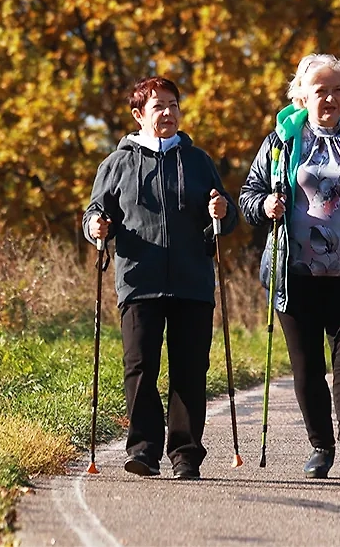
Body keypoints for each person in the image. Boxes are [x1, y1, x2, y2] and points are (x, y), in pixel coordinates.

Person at [239, 54, 340, 482]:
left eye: (336, 90)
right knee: (307, 366)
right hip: (296, 275)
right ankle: (321, 447)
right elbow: (249, 195)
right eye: (320, 91)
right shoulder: (281, 143)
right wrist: (265, 205)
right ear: (302, 96)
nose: (329, 98)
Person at [83, 76, 239, 480]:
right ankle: (143, 450)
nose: (168, 113)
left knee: (189, 370)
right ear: (139, 115)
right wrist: (96, 227)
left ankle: (186, 454)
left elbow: (226, 218)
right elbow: (95, 212)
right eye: (158, 106)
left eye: (173, 105)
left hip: (192, 282)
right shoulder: (116, 164)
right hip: (139, 279)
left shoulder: (198, 161)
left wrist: (221, 212)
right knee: (139, 367)